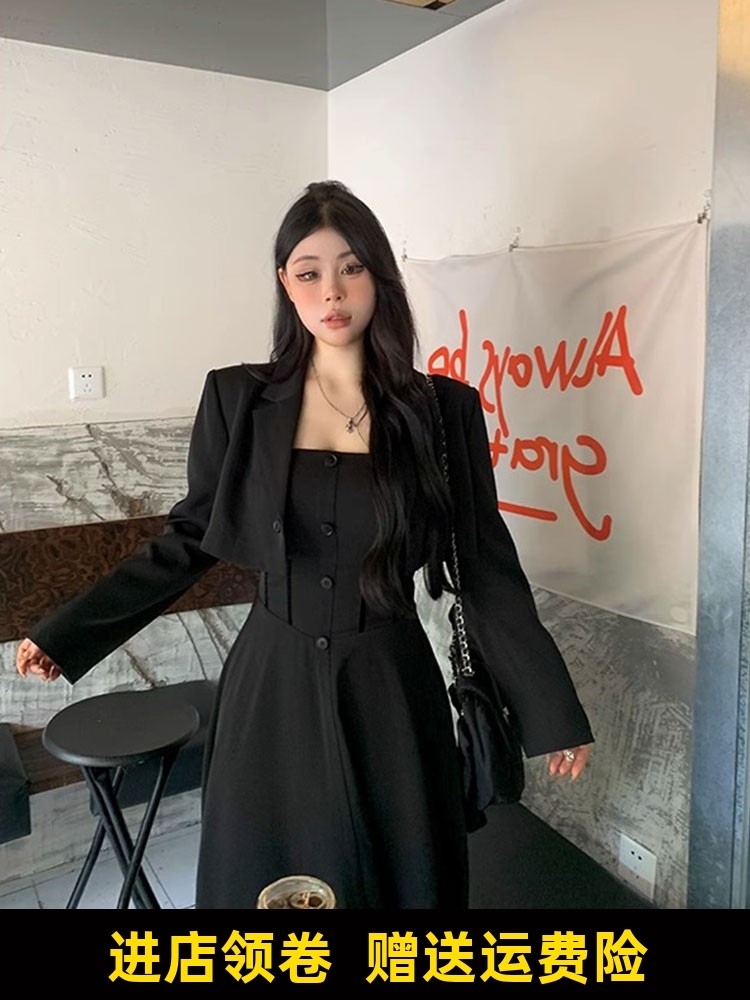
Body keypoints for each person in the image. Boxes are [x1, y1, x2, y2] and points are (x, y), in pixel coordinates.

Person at [16, 180, 593, 909]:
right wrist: (68, 632)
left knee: (401, 880)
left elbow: (484, 566)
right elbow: (189, 539)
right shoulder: (238, 399)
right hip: (272, 683)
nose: (333, 292)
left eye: (351, 268)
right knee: (264, 882)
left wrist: (550, 711)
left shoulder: (441, 411)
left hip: (392, 684)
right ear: (285, 284)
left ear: (380, 277)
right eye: (309, 272)